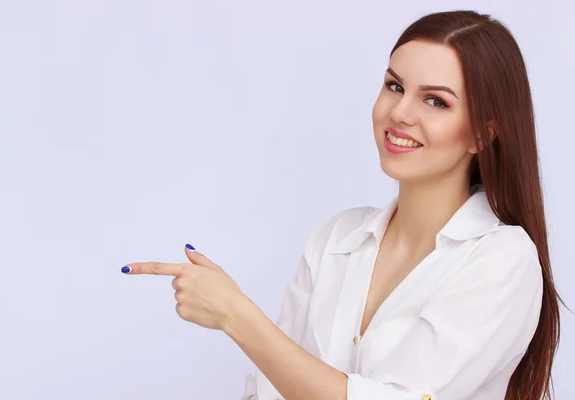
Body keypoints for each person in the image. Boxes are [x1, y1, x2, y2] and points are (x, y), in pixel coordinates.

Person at [122, 9, 563, 400]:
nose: (400, 113)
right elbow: (267, 389)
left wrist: (237, 316)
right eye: (394, 86)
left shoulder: (502, 259)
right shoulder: (338, 238)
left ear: (484, 133)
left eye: (435, 100)